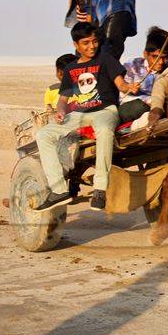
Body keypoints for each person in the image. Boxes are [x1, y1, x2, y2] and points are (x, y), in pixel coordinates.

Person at [32, 22, 140, 211]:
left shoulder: (106, 59)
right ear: (76, 45)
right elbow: (63, 98)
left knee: (105, 131)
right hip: (78, 115)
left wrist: (129, 87)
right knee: (43, 135)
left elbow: (121, 85)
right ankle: (59, 191)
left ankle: (100, 188)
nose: (92, 46)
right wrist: (60, 111)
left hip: (104, 111)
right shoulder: (70, 69)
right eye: (86, 43)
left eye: (94, 41)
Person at [120, 26, 168, 127]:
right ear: (145, 54)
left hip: (157, 108)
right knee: (141, 107)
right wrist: (150, 101)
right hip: (133, 108)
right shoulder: (131, 65)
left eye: (164, 58)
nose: (160, 62)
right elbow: (123, 97)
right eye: (155, 57)